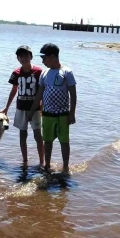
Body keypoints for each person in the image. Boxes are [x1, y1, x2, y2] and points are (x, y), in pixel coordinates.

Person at [28, 43, 77, 174]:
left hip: (63, 114)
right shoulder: (44, 73)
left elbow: (73, 94)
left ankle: (65, 167)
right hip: (47, 114)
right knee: (47, 141)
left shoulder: (66, 72)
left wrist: (72, 113)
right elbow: (39, 94)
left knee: (64, 141)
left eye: (44, 58)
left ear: (53, 56)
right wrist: (32, 111)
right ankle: (47, 165)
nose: (42, 61)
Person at [0, 45, 45, 167]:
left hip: (35, 108)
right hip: (21, 108)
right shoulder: (16, 73)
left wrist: (43, 105)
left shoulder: (39, 72)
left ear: (31, 57)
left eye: (26, 56)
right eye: (20, 56)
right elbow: (14, 90)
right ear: (18, 58)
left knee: (37, 135)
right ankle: (25, 161)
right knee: (22, 134)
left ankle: (42, 162)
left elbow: (43, 90)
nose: (23, 58)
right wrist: (7, 107)